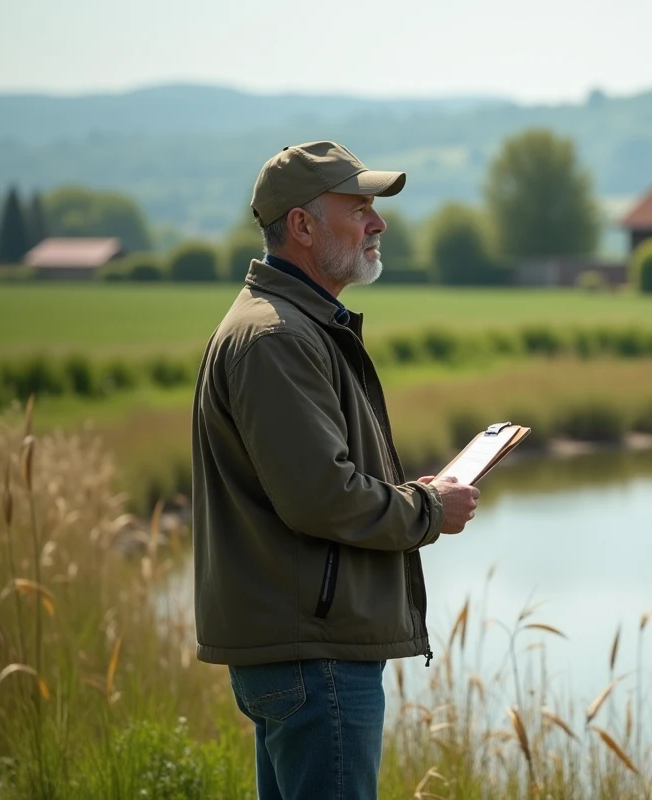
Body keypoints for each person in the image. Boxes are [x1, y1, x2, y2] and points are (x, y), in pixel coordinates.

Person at [190, 140, 480, 799]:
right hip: (314, 653)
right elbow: (322, 497)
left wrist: (416, 497)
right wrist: (429, 509)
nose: (379, 223)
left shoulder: (291, 325)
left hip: (303, 646)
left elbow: (319, 482)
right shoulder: (279, 337)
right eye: (359, 209)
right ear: (301, 225)